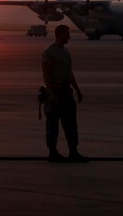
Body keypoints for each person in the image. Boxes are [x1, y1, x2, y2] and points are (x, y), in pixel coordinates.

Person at [41, 24, 88, 162]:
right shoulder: (49, 52)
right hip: (55, 91)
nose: (69, 36)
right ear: (59, 34)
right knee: (52, 124)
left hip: (67, 92)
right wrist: (51, 93)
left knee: (71, 124)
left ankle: (73, 151)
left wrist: (78, 91)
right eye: (66, 34)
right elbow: (46, 74)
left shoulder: (66, 52)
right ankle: (53, 152)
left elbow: (69, 74)